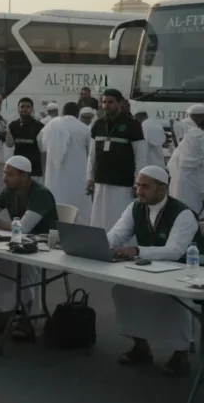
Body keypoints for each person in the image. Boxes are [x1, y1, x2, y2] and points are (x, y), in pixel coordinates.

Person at [107, 166, 201, 377]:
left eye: (145, 186)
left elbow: (175, 250)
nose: (139, 191)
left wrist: (137, 250)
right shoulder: (136, 208)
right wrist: (96, 244)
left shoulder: (183, 213)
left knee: (173, 298)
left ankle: (180, 352)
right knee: (123, 290)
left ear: (162, 189)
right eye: (138, 185)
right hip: (149, 267)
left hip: (186, 269)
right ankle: (141, 346)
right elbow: (116, 235)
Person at [0, 155, 58, 339]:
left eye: (10, 174)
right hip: (20, 243)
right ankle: (2, 312)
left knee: (23, 266)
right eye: (5, 173)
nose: (4, 178)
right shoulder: (9, 190)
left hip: (44, 246)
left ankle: (27, 318)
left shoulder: (40, 193)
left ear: (24, 176)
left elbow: (23, 227)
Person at [86, 89, 147, 231]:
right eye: (104, 102)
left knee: (120, 221)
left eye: (111, 102)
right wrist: (90, 178)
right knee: (99, 220)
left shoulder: (133, 125)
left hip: (123, 184)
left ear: (120, 103)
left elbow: (140, 157)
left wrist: (137, 183)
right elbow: (92, 155)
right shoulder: (98, 125)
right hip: (101, 182)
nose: (107, 105)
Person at [38, 102, 92, 223]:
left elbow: (41, 145)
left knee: (55, 206)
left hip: (53, 178)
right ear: (78, 113)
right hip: (78, 179)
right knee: (78, 212)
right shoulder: (84, 128)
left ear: (63, 111)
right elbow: (91, 153)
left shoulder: (50, 126)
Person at [168, 104, 204, 214]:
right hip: (192, 178)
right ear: (200, 116)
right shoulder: (197, 134)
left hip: (179, 174)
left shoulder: (184, 127)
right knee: (190, 209)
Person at [4, 97, 45, 183]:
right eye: (22, 107)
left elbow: (43, 148)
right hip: (17, 168)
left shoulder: (39, 126)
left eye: (27, 107)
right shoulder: (13, 125)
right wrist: (7, 131)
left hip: (34, 169)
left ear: (32, 109)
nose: (24, 109)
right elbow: (9, 144)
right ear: (18, 109)